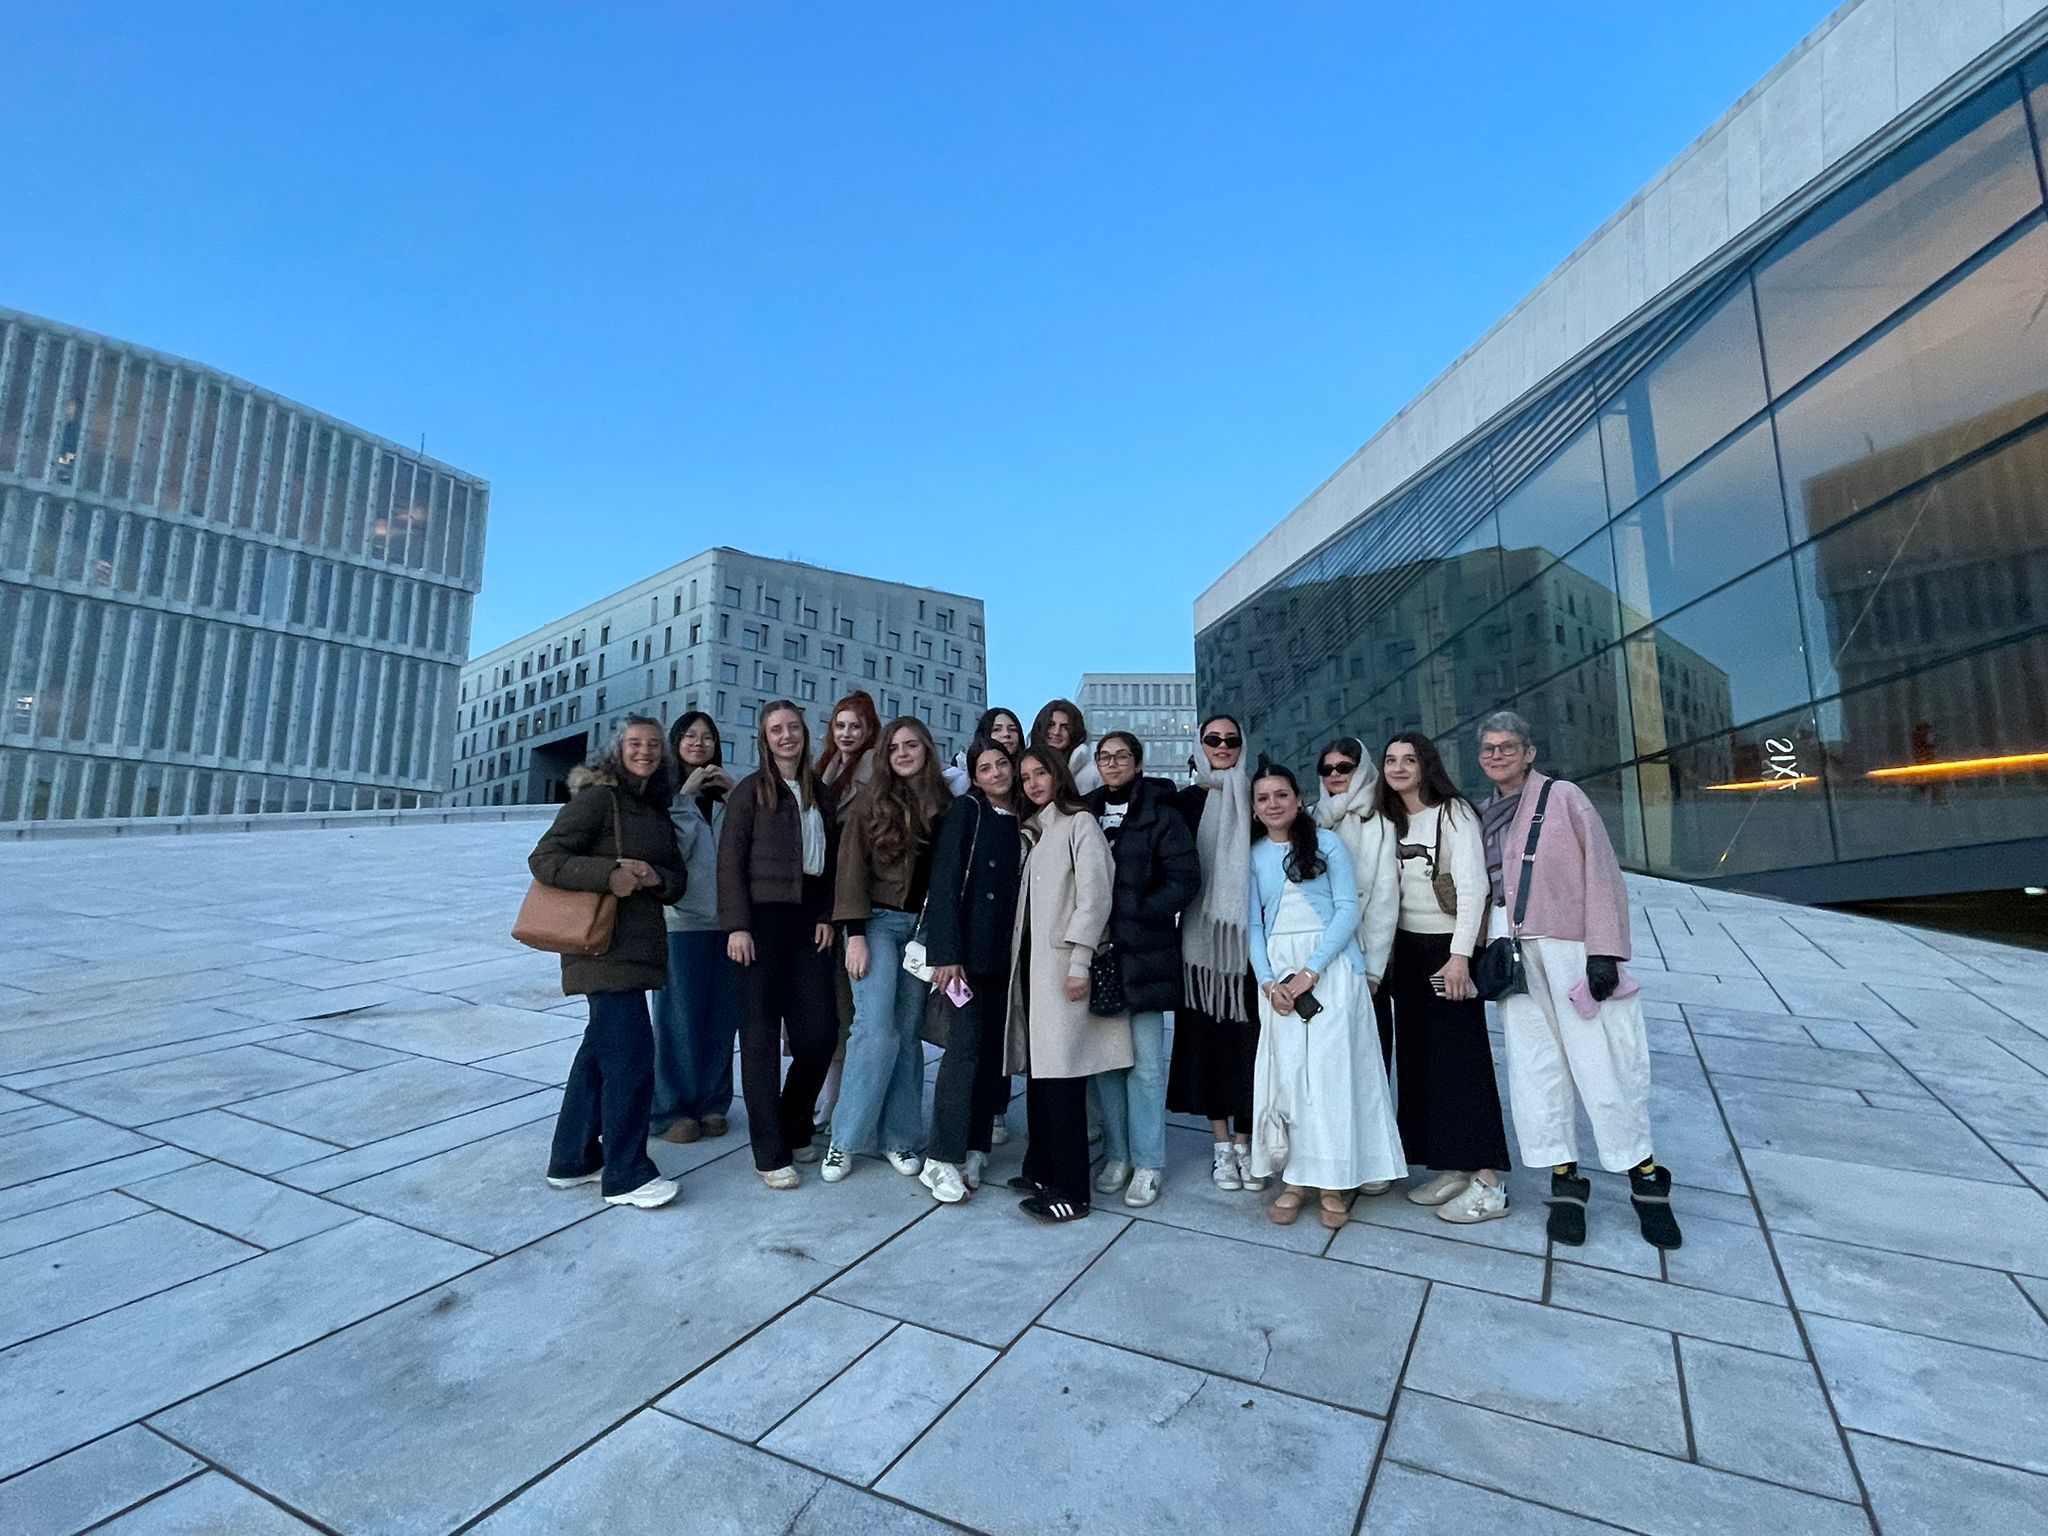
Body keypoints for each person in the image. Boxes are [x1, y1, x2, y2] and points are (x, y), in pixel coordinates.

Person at [1476, 710, 1680, 1249]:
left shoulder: (1564, 797)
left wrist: (1605, 951)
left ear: (1529, 752)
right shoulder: (1483, 814)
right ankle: (1565, 1181)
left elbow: (1603, 872)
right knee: (1536, 1069)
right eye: (1488, 748)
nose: (1497, 755)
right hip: (1515, 955)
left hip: (1571, 949)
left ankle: (1646, 1180)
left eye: (1507, 746)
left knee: (1605, 1064)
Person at [530, 716, 686, 1209]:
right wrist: (610, 874)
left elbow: (676, 878)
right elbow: (544, 859)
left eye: (654, 745)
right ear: (617, 749)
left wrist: (655, 877)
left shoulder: (654, 806)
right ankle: (625, 1173)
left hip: (635, 949)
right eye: (635, 743)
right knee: (631, 1060)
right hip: (600, 945)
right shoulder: (598, 799)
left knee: (599, 1056)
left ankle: (572, 1159)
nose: (645, 752)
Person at [1245, 762, 1407, 1230]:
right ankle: (1295, 1180)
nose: (1273, 804)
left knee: (1332, 1074)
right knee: (1290, 1074)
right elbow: (1252, 923)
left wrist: (1311, 971)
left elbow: (1347, 910)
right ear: (1254, 809)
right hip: (1279, 974)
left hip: (1331, 969)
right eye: (1263, 798)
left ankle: (1334, 1182)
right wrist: (1269, 982)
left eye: (1281, 794)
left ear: (1299, 801)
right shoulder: (1253, 856)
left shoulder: (1328, 844)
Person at [1377, 731, 1513, 1223]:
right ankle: (1452, 1165)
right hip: (1406, 950)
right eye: (1390, 760)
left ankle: (1488, 1183)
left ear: (1426, 765)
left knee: (1461, 1062)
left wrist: (1459, 957)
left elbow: (1474, 888)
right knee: (1422, 1063)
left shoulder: (1453, 813)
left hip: (1446, 950)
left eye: (1409, 759)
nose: (1398, 767)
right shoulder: (1391, 818)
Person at [717, 700, 841, 1189]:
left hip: (809, 924)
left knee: (820, 1034)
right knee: (761, 1040)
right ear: (764, 739)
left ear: (805, 734)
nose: (786, 736)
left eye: (793, 727)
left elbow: (832, 863)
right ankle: (769, 1152)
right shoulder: (749, 792)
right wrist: (737, 926)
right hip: (760, 924)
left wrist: (827, 915)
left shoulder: (821, 793)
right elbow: (730, 862)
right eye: (776, 730)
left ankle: (794, 1124)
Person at [1004, 746, 1128, 1222]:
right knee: (1042, 1076)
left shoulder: (1080, 823)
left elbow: (1095, 897)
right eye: (1025, 777)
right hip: (1033, 970)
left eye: (1041, 773)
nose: (1033, 783)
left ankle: (1072, 1192)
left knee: (1063, 1080)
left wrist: (1079, 961)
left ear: (1058, 775)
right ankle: (1041, 1169)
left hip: (1061, 969)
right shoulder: (1036, 831)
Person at [825, 716, 951, 1183]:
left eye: (911, 745)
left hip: (922, 931)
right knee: (874, 1030)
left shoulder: (946, 805)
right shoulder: (870, 801)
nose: (902, 753)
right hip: (876, 923)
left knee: (907, 1032)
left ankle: (900, 1136)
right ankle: (844, 1140)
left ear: (926, 749)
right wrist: (854, 933)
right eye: (894, 747)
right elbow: (850, 869)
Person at [1083, 731, 1200, 1208]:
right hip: (1099, 953)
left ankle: (1149, 1161)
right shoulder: (1085, 813)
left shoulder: (1161, 814)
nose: (1112, 764)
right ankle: (1118, 1154)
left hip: (1146, 951)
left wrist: (1140, 910)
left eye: (1121, 756)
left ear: (1137, 763)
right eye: (1104, 757)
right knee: (1107, 1064)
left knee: (1147, 1066)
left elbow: (1185, 878)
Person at [919, 736, 1027, 1203]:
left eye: (1001, 764)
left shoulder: (1023, 817)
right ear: (975, 777)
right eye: (985, 768)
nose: (996, 773)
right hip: (965, 956)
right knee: (962, 1053)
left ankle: (976, 1146)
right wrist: (946, 953)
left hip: (1007, 956)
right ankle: (940, 1157)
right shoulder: (968, 811)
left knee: (990, 1057)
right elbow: (943, 882)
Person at [1166, 714, 1265, 1194]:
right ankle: (1221, 1144)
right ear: (1200, 745)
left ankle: (1246, 1141)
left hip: (1250, 941)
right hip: (1201, 946)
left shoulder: (1258, 796)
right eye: (1213, 740)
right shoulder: (1185, 802)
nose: (1222, 747)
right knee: (1205, 1041)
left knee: (1250, 1043)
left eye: (1231, 740)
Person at [652, 711, 741, 1143]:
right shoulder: (663, 794)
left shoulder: (727, 796)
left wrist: (736, 795)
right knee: (678, 1020)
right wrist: (685, 799)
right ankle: (670, 1110)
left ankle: (712, 1104)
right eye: (690, 735)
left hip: (728, 923)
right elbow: (671, 854)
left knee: (721, 1019)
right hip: (680, 922)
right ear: (676, 742)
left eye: (707, 736)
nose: (699, 743)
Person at [812, 690, 883, 1137]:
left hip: (855, 897)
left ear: (869, 729)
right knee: (827, 1006)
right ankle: (828, 1097)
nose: (847, 733)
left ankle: (840, 1103)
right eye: (840, 725)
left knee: (851, 1008)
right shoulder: (824, 768)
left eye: (856, 725)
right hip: (822, 895)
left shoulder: (875, 768)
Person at [1312, 736, 1400, 1067]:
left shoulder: (1381, 819)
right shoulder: (1312, 818)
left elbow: (1385, 897)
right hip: (1320, 953)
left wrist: (1374, 969)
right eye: (1327, 769)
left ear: (1361, 769)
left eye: (1344, 767)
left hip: (1364, 953)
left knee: (1371, 1051)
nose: (1335, 774)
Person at [1030, 698, 1103, 797]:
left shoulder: (1092, 774)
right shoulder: (1026, 768)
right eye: (1051, 725)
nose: (1056, 732)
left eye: (1065, 727)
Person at [944, 707, 1025, 795]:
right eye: (996, 729)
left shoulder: (1028, 771)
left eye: (1012, 729)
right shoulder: (963, 782)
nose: (1006, 734)